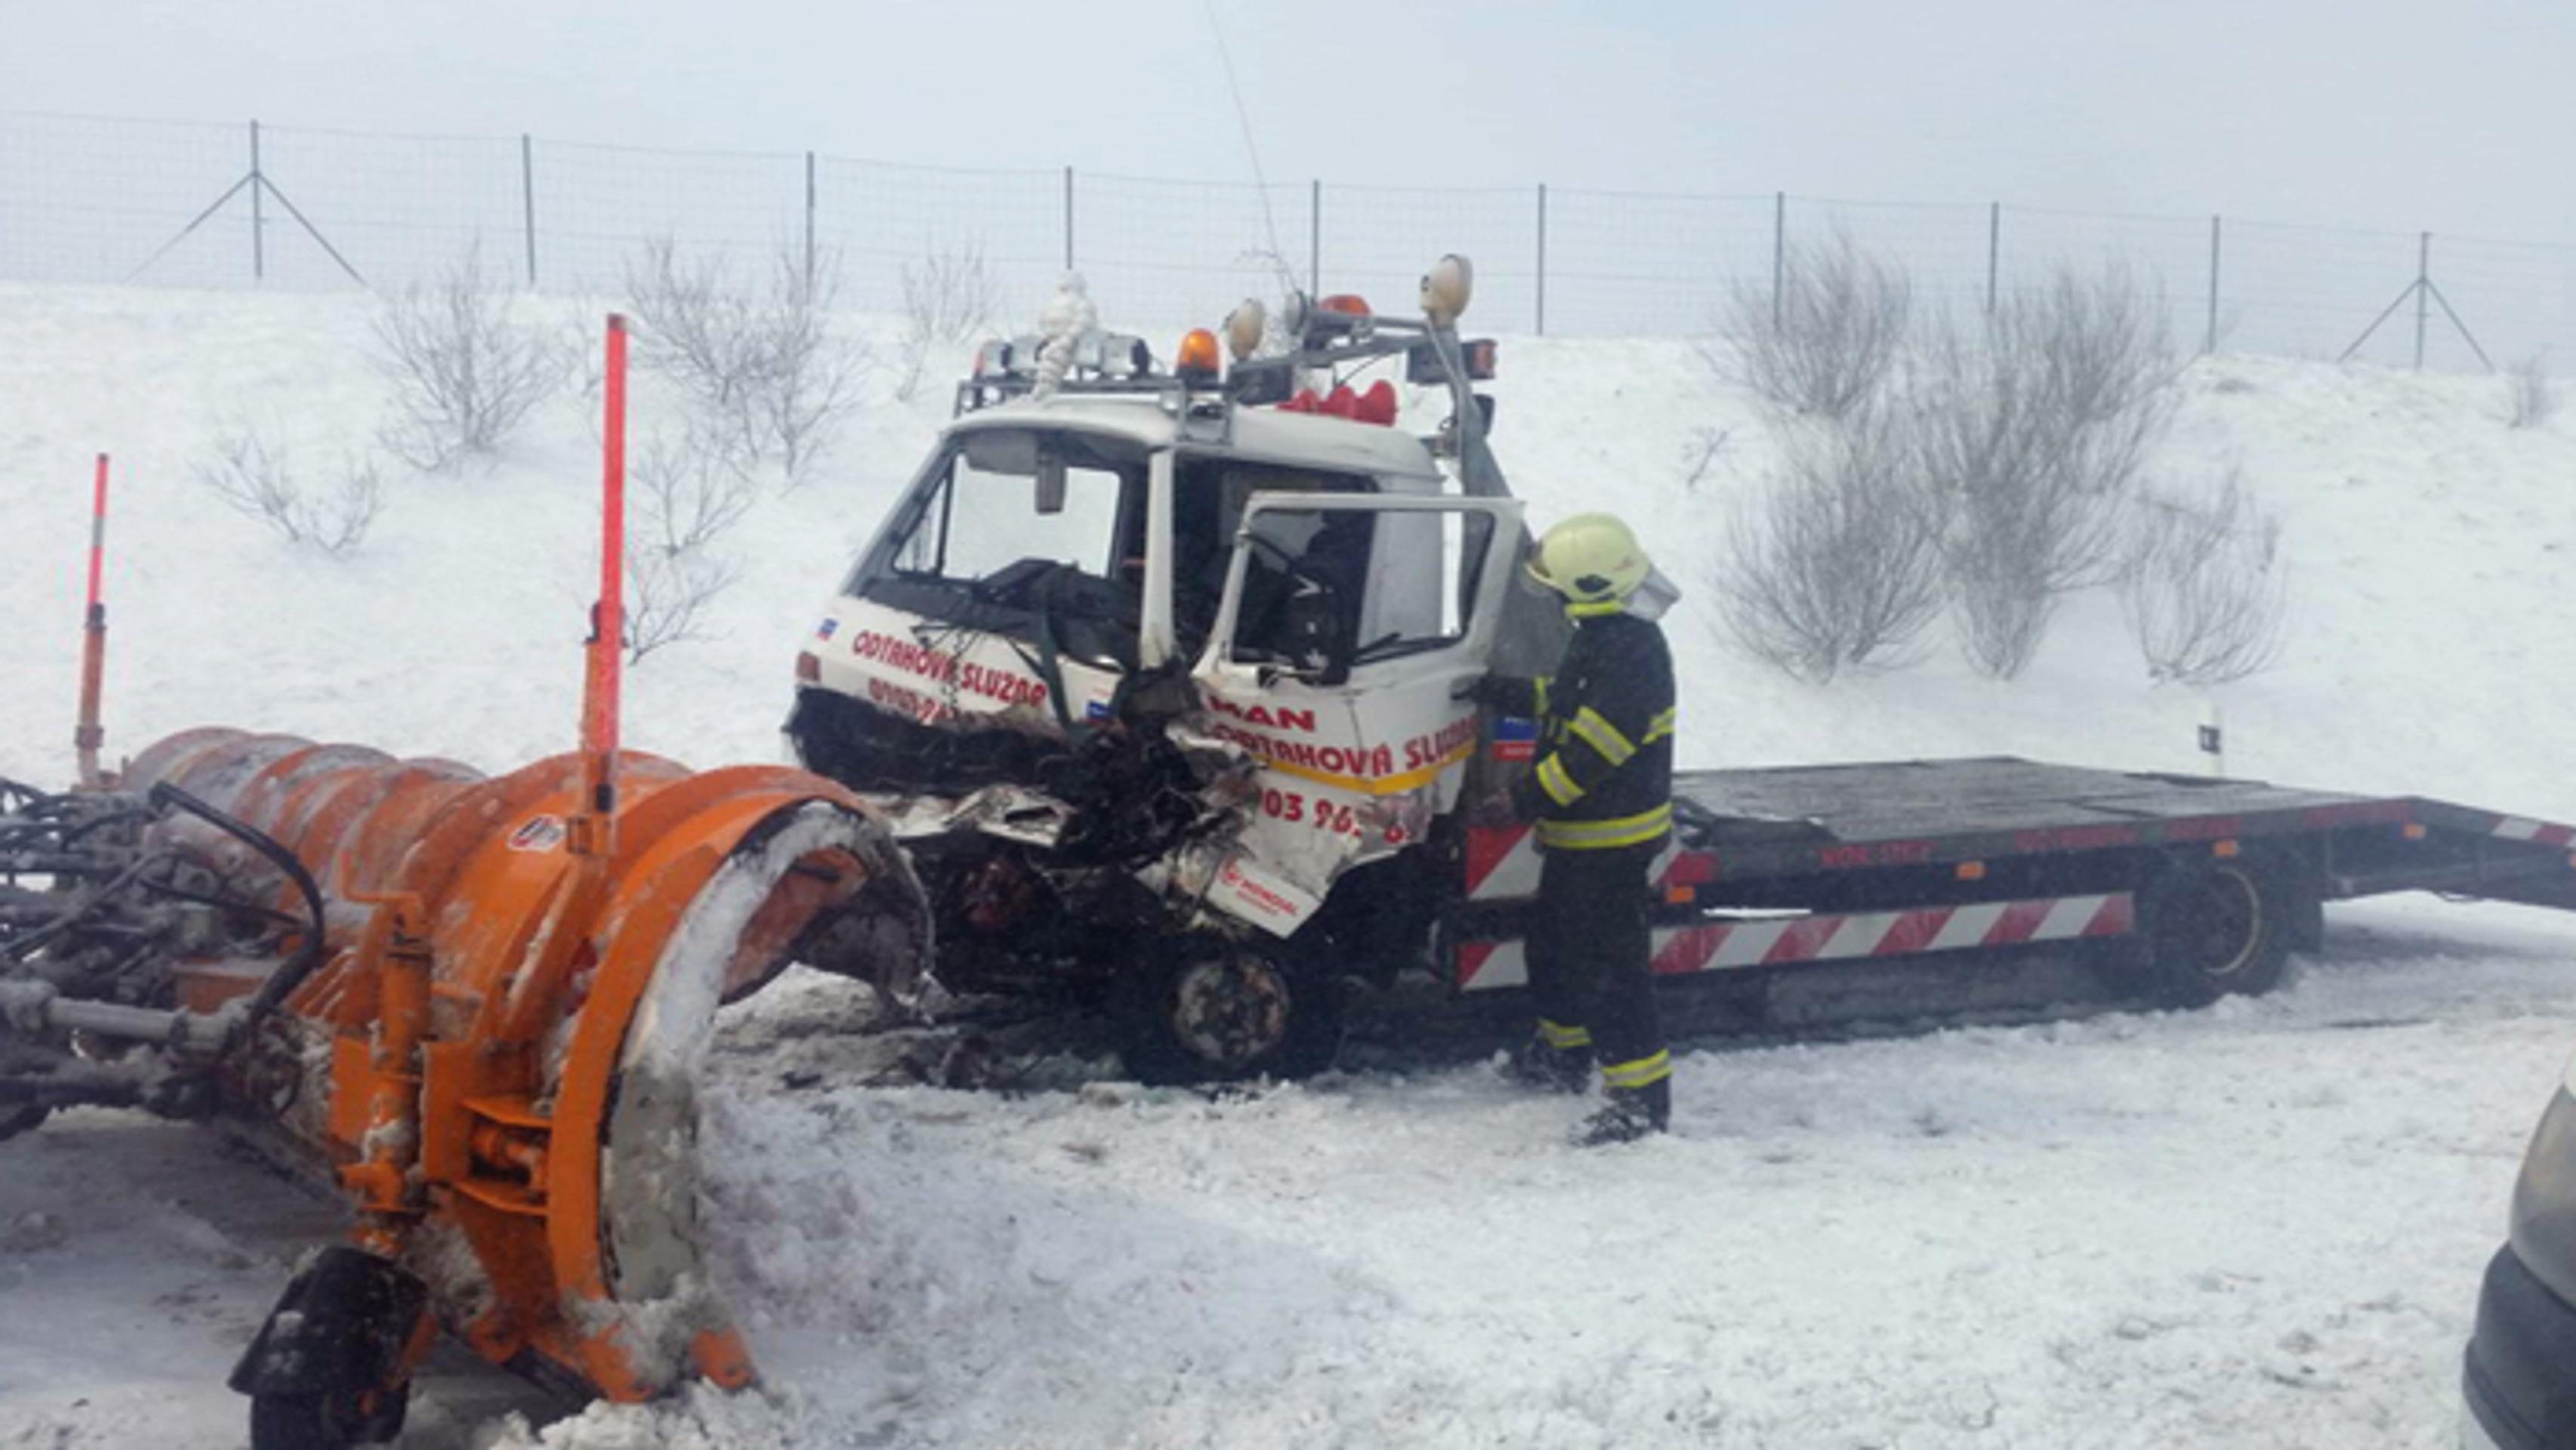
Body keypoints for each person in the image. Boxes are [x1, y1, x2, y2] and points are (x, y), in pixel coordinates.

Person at [1476, 512, 1677, 1145]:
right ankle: (1562, 1056)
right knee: (1555, 949)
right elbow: (1568, 699)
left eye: (1558, 587)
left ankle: (1639, 1101)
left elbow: (1591, 752)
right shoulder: (1607, 635)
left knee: (1610, 970)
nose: (1554, 597)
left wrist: (1520, 800)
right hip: (1583, 839)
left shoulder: (1631, 652)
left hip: (1610, 841)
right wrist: (1499, 692)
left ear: (1585, 587)